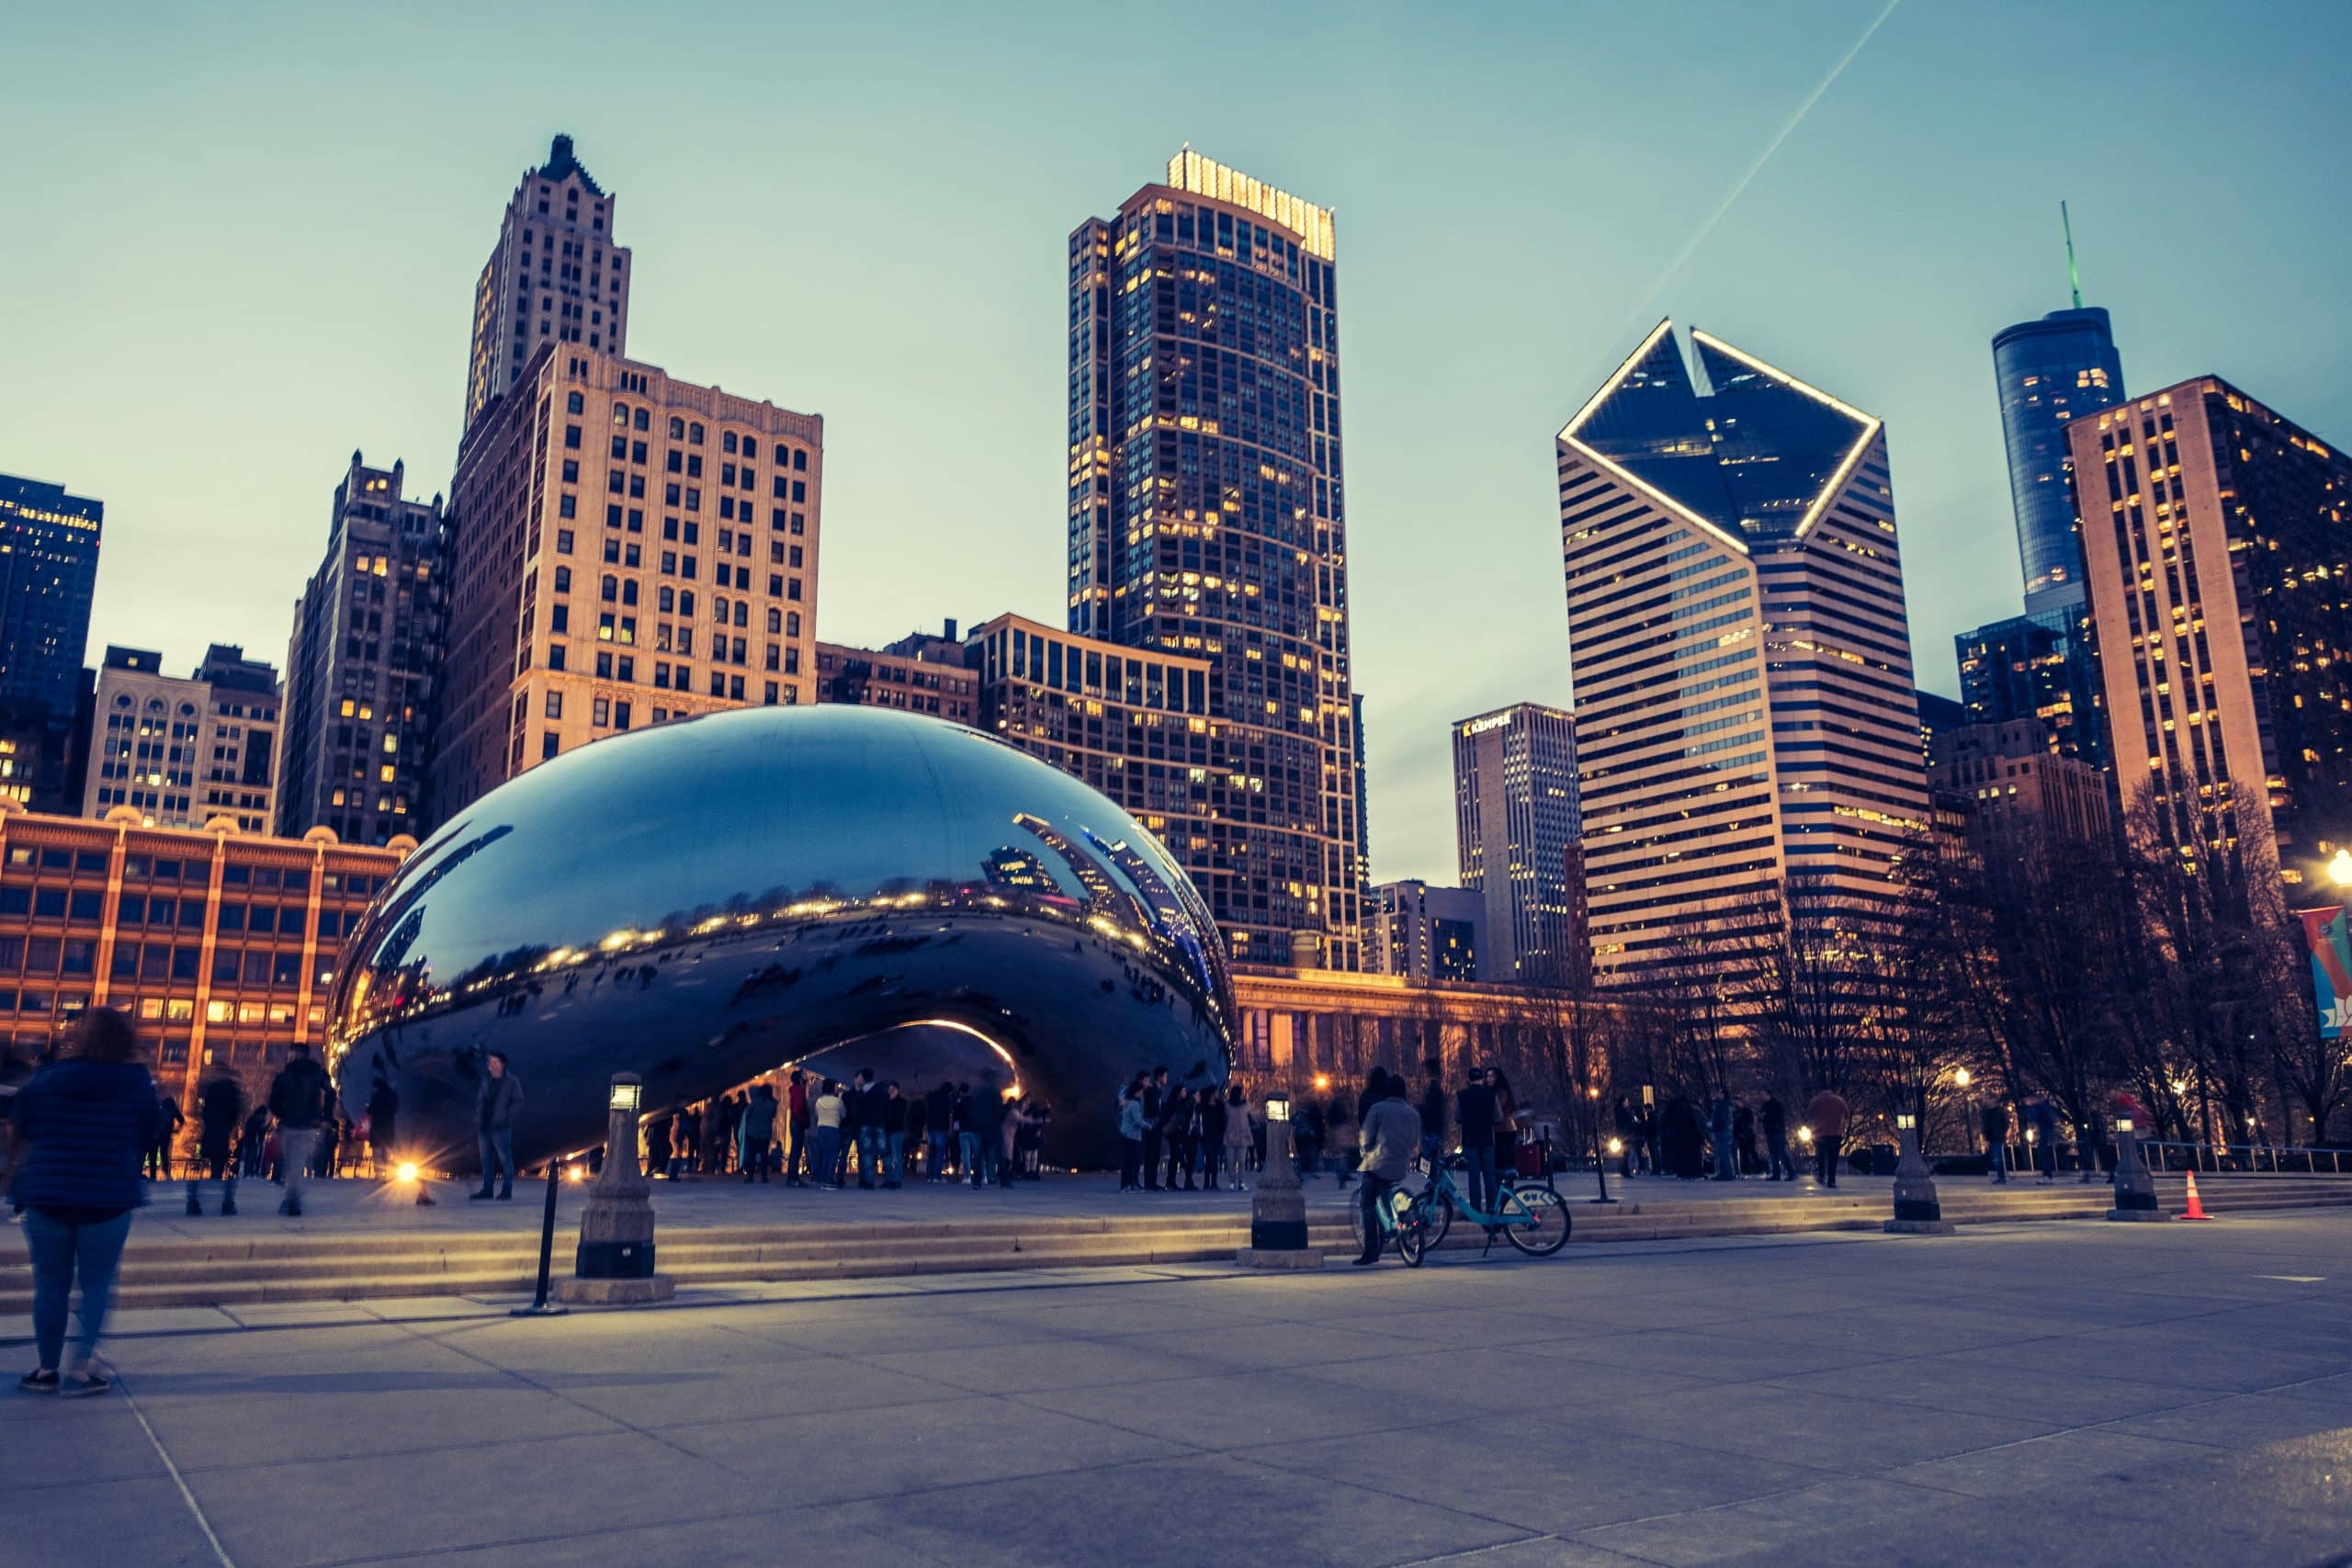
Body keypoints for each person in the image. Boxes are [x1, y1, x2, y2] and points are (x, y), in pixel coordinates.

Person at [10, 1007, 160, 1396]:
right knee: (96, 1283)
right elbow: (149, 1130)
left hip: (48, 1192)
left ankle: (45, 1370)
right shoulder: (135, 1081)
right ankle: (81, 1369)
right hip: (107, 1195)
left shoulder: (47, 1078)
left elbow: (22, 1125)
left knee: (49, 1283)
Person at [1351, 1076, 1422, 1268]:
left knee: (1366, 1202)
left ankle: (1371, 1251)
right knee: (1386, 1193)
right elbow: (1415, 1141)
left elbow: (1366, 1136)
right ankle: (1400, 1222)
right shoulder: (1413, 1113)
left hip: (1378, 1162)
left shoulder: (1378, 1109)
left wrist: (1365, 1150)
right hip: (1400, 1164)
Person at [266, 1042, 331, 1217]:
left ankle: (293, 1200)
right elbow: (331, 1092)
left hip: (289, 1125)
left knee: (292, 1165)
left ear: (294, 1055)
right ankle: (291, 1198)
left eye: (291, 1054)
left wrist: (282, 1114)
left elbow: (273, 1103)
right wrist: (325, 1118)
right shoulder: (317, 1073)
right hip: (310, 1125)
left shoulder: (284, 1075)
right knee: (296, 1164)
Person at [186, 1069, 245, 1216]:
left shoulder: (210, 1089)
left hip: (210, 1131)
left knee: (210, 1166)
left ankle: (194, 1199)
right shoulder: (232, 1091)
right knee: (220, 1168)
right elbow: (236, 1112)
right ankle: (227, 1202)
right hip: (222, 1132)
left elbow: (203, 1111)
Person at [1456, 1068, 1499, 1217]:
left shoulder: (1461, 1096)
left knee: (1473, 1176)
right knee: (1489, 1175)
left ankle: (1475, 1209)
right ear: (1482, 1079)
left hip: (1469, 1140)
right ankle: (1492, 1206)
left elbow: (1457, 1118)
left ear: (1468, 1079)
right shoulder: (1491, 1096)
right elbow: (1498, 1118)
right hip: (1487, 1140)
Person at [965, 1077, 1006, 1187]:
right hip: (994, 1126)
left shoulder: (978, 1093)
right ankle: (1003, 1180)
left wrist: (978, 1123)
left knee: (979, 1154)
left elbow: (973, 1109)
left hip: (983, 1127)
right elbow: (1000, 1110)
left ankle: (976, 1180)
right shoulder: (995, 1093)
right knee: (999, 1153)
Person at [1805, 1087, 1849, 1187]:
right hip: (1836, 1133)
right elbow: (1847, 1115)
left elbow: (1809, 1115)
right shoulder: (1839, 1100)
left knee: (1820, 1156)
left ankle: (1821, 1176)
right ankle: (1831, 1180)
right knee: (1833, 1159)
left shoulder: (1815, 1101)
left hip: (1819, 1134)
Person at [809, 1079, 845, 1190]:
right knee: (833, 1155)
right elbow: (843, 1114)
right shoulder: (837, 1101)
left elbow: (816, 1115)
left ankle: (823, 1179)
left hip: (821, 1128)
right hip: (833, 1128)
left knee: (825, 1155)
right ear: (832, 1088)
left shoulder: (819, 1101)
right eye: (836, 1086)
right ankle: (829, 1180)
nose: (837, 1088)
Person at [741, 1082, 779, 1182]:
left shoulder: (755, 1102)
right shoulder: (773, 1103)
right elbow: (774, 1115)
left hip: (752, 1131)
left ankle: (750, 1176)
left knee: (752, 1155)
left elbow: (748, 1114)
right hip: (765, 1132)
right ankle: (764, 1177)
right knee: (764, 1155)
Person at [845, 1069, 876, 1189]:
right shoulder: (850, 1094)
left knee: (863, 1153)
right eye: (860, 1077)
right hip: (851, 1126)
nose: (861, 1080)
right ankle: (840, 1179)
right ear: (856, 1078)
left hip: (861, 1127)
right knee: (845, 1153)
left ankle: (863, 1179)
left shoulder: (864, 1094)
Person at [1488, 1068, 1521, 1179]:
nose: (1489, 1079)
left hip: (1504, 1131)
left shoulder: (1501, 1092)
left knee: (1504, 1163)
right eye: (1487, 1076)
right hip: (1500, 1130)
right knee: (1501, 1163)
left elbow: (1497, 1110)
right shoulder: (1493, 1091)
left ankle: (1505, 1192)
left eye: (1492, 1076)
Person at [1197, 1078, 1228, 1190]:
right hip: (1207, 1135)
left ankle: (1213, 1182)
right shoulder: (1204, 1106)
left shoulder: (1220, 1105)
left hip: (1217, 1134)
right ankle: (1207, 1182)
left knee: (1214, 1158)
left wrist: (1222, 1132)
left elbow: (1223, 1120)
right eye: (1215, 1092)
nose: (1217, 1094)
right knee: (1209, 1158)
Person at [1222, 1084, 1255, 1191]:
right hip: (1232, 1135)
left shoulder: (1245, 1105)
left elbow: (1254, 1114)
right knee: (1231, 1161)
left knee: (1241, 1161)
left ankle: (1241, 1182)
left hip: (1242, 1136)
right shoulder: (1227, 1106)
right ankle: (1232, 1182)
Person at [1117, 1078, 1148, 1192]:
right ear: (1136, 1091)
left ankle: (1128, 1185)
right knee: (1129, 1162)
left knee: (1128, 1162)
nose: (1142, 1093)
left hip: (1127, 1134)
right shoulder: (1134, 1103)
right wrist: (1149, 1126)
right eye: (1140, 1091)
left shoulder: (1128, 1102)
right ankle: (1127, 1185)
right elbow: (1137, 1120)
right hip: (1131, 1136)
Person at [366, 1077, 400, 1179]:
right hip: (388, 1127)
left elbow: (370, 1110)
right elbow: (395, 1110)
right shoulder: (393, 1095)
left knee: (377, 1151)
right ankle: (389, 1174)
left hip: (377, 1127)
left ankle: (379, 1174)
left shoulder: (377, 1096)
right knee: (388, 1151)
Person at [1140, 1066, 1167, 1191]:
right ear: (1159, 1077)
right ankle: (1149, 1182)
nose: (1167, 1078)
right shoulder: (1151, 1091)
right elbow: (1152, 1109)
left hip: (1157, 1126)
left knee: (1155, 1154)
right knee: (1150, 1154)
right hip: (1152, 1126)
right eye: (1165, 1076)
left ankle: (1152, 1181)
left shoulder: (1158, 1091)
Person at [146, 1089, 183, 1182]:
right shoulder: (173, 1110)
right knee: (164, 1155)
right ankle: (167, 1174)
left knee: (153, 1156)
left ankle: (152, 1176)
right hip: (165, 1136)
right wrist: (176, 1130)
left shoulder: (159, 1108)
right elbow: (182, 1120)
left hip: (155, 1135)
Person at [878, 1080, 909, 1189]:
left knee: (896, 1155)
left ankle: (896, 1179)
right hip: (887, 1131)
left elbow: (897, 1115)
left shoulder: (901, 1102)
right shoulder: (886, 1100)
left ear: (897, 1089)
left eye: (892, 1089)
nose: (890, 1092)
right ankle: (889, 1179)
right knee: (887, 1156)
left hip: (896, 1131)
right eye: (889, 1090)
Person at [1418, 1058, 1447, 1168]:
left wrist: (1417, 1108)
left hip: (1431, 1131)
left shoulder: (1433, 1090)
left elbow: (1429, 1109)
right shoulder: (1435, 1089)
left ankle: (1433, 1181)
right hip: (1434, 1129)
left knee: (1427, 1163)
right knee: (1431, 1161)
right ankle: (1433, 1180)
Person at [785, 1069, 811, 1186]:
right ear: (800, 1078)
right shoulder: (798, 1091)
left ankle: (792, 1177)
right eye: (804, 1075)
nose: (807, 1076)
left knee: (795, 1150)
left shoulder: (797, 1089)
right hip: (798, 1123)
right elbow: (798, 1108)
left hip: (795, 1122)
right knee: (796, 1151)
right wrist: (803, 1119)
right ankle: (793, 1178)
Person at [1761, 1093, 1794, 1181]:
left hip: (1777, 1131)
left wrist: (1774, 1125)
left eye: (1764, 1095)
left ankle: (1791, 1172)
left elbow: (1778, 1118)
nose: (1762, 1097)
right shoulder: (1765, 1105)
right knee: (1773, 1154)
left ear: (1769, 1095)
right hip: (1771, 1132)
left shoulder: (1776, 1105)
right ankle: (1776, 1174)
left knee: (1781, 1152)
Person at [924, 1082, 953, 1181]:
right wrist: (950, 1128)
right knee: (940, 1152)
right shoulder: (947, 1099)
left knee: (931, 1151)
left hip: (930, 1126)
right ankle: (937, 1176)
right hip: (941, 1127)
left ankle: (929, 1176)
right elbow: (949, 1115)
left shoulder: (931, 1096)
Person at [2028, 1098, 2060, 1182]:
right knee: (2044, 1154)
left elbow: (2040, 1120)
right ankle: (2047, 1175)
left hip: (2044, 1133)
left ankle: (2047, 1175)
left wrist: (2036, 1128)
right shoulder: (2042, 1107)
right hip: (2044, 1133)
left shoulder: (2039, 1108)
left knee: (2044, 1154)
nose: (2027, 1102)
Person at [1711, 1089, 1739, 1181]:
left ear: (1723, 1094)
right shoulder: (1723, 1105)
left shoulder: (1724, 1105)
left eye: (1719, 1093)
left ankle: (1728, 1173)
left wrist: (1715, 1126)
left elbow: (1723, 1119)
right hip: (1722, 1131)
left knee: (1724, 1153)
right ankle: (1724, 1173)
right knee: (1722, 1153)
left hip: (1723, 1131)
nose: (1717, 1095)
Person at [903, 1087, 929, 1181]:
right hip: (917, 1132)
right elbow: (924, 1122)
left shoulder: (910, 1111)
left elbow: (906, 1120)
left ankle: (905, 1167)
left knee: (906, 1151)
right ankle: (913, 1168)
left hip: (908, 1131)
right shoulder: (922, 1112)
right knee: (914, 1151)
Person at [1982, 1100, 2010, 1184]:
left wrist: (2001, 1133)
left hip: (1997, 1137)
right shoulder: (1988, 1112)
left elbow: (2006, 1124)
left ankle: (2002, 1177)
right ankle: (2001, 1176)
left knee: (1997, 1157)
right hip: (1992, 1137)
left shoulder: (1999, 1111)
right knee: (1995, 1157)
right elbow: (1987, 1126)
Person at [1612, 1095, 1640, 1179]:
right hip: (1626, 1134)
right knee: (1627, 1153)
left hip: (1622, 1134)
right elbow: (1627, 1123)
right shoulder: (1624, 1112)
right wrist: (1634, 1123)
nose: (1627, 1103)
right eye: (1626, 1101)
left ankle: (1624, 1170)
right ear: (1623, 1102)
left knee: (1626, 1153)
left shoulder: (1619, 1111)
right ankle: (1625, 1170)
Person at [645, 1109, 674, 1181]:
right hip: (659, 1137)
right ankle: (656, 1167)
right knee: (657, 1152)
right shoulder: (664, 1117)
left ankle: (654, 1168)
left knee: (655, 1153)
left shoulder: (655, 1118)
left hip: (656, 1138)